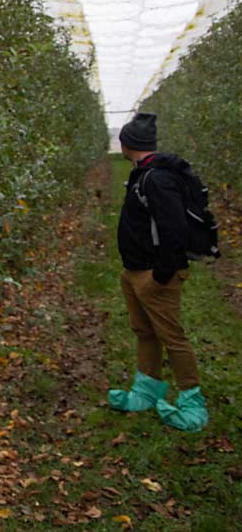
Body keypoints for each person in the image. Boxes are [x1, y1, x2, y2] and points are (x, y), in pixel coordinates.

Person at [108, 112, 208, 431]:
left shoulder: (157, 179)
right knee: (145, 331)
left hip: (153, 274)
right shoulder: (145, 174)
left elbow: (174, 229)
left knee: (172, 337)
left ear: (127, 143)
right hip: (135, 270)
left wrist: (161, 275)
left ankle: (192, 401)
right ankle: (147, 389)